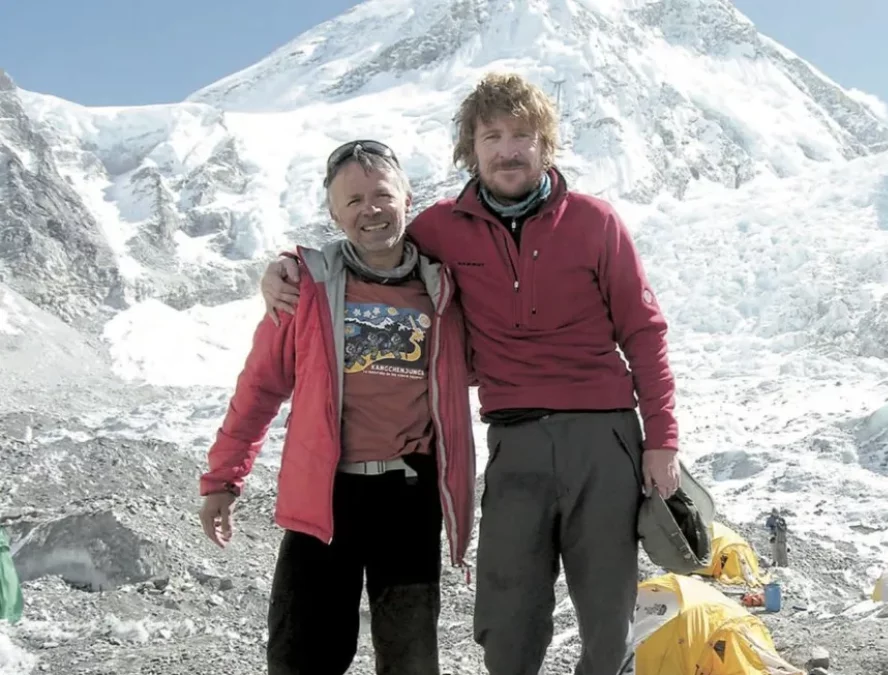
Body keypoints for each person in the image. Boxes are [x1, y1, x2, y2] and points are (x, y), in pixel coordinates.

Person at [259, 72, 683, 675]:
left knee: (608, 620)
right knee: (508, 620)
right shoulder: (438, 230)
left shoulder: (595, 222)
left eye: (524, 135)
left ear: (546, 145)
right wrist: (282, 265)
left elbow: (644, 331)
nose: (509, 148)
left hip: (605, 436)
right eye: (493, 135)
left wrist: (662, 438)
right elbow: (371, 247)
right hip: (514, 441)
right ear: (471, 148)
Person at [199, 140, 476, 675]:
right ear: (333, 213)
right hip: (325, 498)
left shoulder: (443, 291)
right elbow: (259, 389)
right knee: (301, 658)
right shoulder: (306, 287)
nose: (369, 210)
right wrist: (222, 479)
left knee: (410, 661)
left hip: (408, 499)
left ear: (407, 198)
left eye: (381, 195)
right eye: (352, 201)